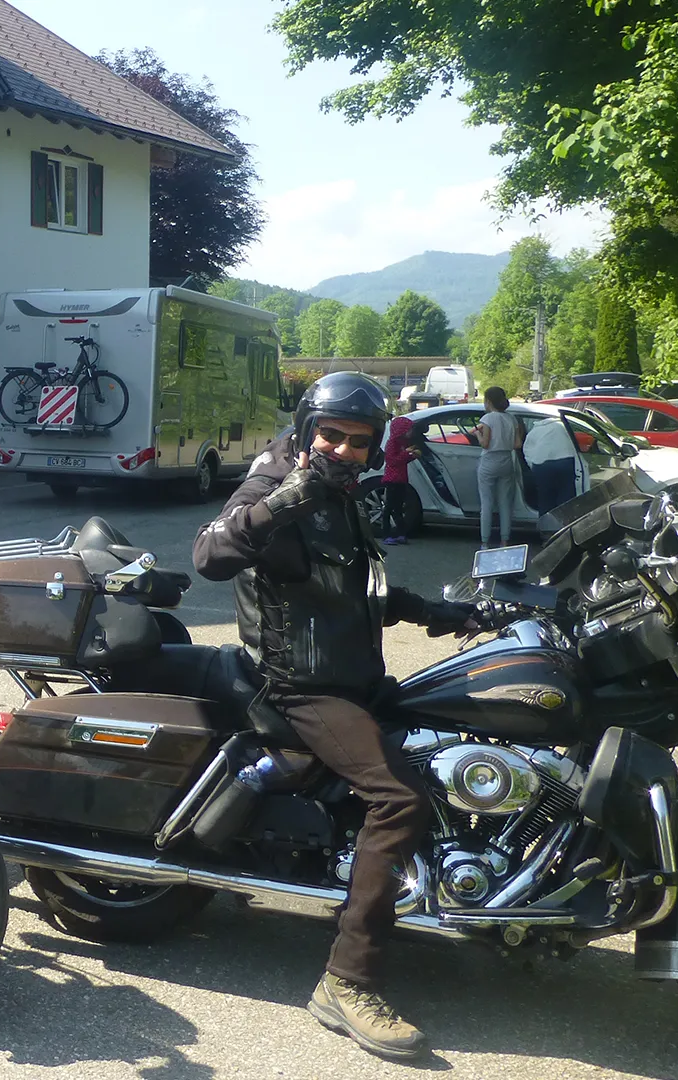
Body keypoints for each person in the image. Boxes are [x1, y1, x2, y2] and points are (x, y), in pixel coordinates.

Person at [193, 371, 476, 1061]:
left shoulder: (345, 495)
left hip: (352, 674)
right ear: (305, 428)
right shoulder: (275, 482)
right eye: (333, 435)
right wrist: (291, 496)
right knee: (398, 799)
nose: (346, 450)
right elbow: (210, 556)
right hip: (297, 686)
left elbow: (354, 587)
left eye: (360, 440)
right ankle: (348, 982)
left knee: (466, 725)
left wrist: (443, 611)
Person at [474, 386, 523, 549]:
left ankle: (485, 541)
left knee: (486, 502)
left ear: (488, 401)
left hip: (489, 461)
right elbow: (517, 443)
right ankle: (504, 541)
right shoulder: (511, 419)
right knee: (505, 503)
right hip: (507, 461)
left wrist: (477, 434)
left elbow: (485, 443)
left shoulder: (487, 419)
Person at [377, 412, 418, 545]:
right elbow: (392, 460)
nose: (410, 432)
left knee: (399, 508)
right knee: (389, 507)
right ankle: (386, 534)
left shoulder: (402, 443)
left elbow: (402, 461)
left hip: (401, 479)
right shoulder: (392, 443)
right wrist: (406, 453)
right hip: (392, 480)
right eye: (408, 430)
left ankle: (400, 533)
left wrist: (412, 456)